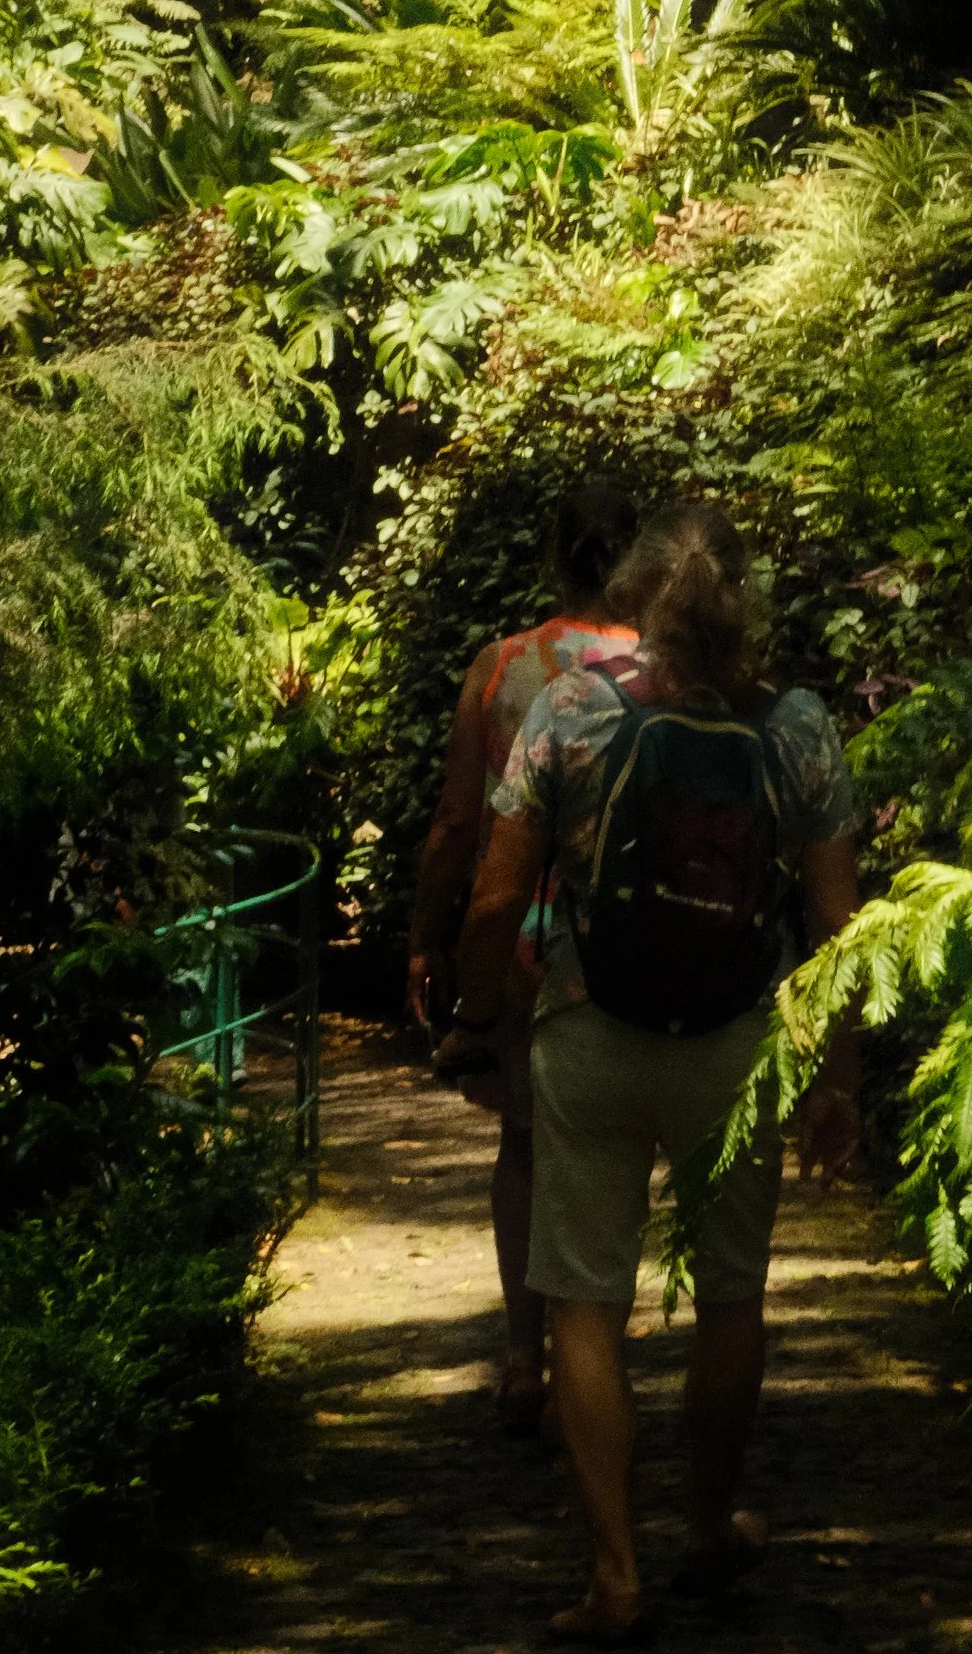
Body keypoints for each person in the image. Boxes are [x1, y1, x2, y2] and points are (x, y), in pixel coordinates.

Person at [441, 503, 861, 1644]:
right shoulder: (800, 729)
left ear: (635, 601)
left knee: (583, 1300)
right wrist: (839, 1080)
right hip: (736, 1042)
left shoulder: (572, 711)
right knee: (730, 1296)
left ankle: (614, 1575)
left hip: (591, 1030)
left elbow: (493, 892)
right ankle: (710, 1527)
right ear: (747, 607)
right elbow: (837, 923)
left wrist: (480, 1019)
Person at [406, 476, 642, 1433]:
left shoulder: (503, 667)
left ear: (553, 556)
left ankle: (523, 1357)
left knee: (524, 1146)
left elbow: (461, 821)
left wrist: (430, 938)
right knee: (618, 1147)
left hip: (522, 943)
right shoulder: (666, 669)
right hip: (625, 937)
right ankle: (601, 1352)